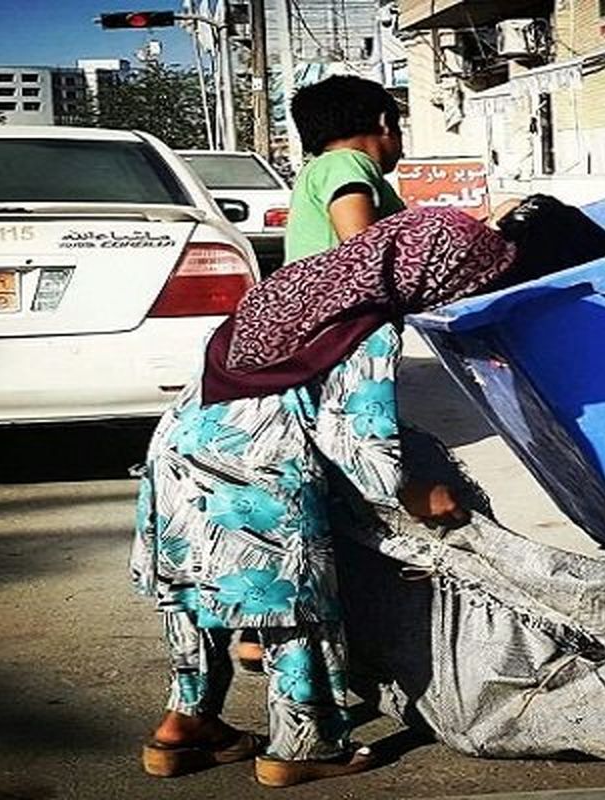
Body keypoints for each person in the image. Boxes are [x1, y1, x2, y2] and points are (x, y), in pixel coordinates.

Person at [130, 207, 540, 787]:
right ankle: (303, 745)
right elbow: (356, 441)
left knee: (197, 593)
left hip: (179, 446)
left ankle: (186, 724)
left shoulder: (300, 283)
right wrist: (420, 493)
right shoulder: (365, 325)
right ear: (431, 273)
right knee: (295, 608)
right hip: (257, 465)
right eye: (462, 281)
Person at [236, 74, 408, 672]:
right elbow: (362, 249)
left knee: (312, 479)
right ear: (383, 124)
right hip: (337, 346)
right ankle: (292, 630)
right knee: (350, 473)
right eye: (398, 125)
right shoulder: (346, 169)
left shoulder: (315, 170)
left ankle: (263, 630)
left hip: (309, 346)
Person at [284, 74, 407, 264]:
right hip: (336, 292)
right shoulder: (346, 162)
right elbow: (362, 249)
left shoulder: (327, 167)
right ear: (384, 123)